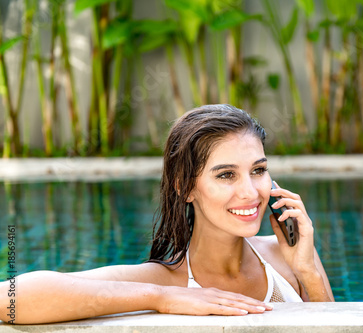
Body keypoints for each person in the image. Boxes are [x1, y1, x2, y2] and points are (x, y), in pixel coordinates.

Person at [0, 104, 333, 325]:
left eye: (258, 170)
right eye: (226, 175)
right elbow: (9, 299)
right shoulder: (164, 281)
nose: (250, 191)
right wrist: (163, 297)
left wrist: (308, 271)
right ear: (185, 187)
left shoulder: (288, 256)